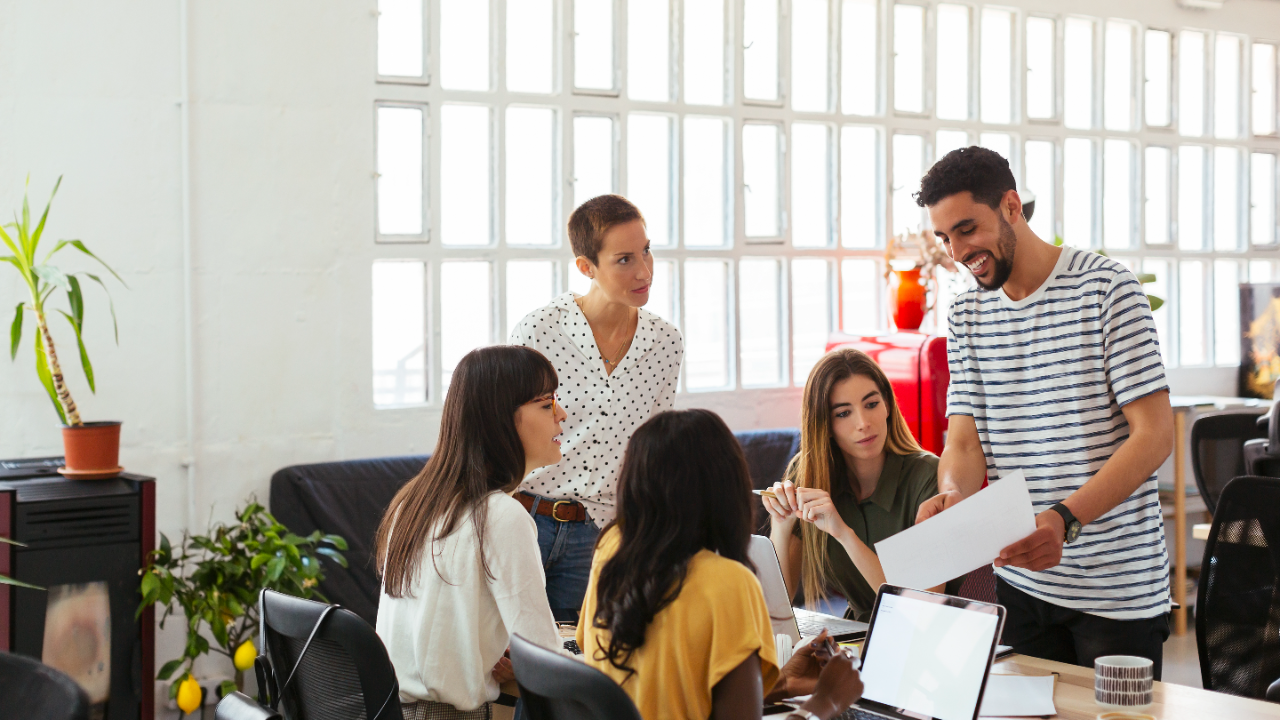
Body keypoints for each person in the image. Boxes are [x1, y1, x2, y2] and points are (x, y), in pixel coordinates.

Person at [914, 146, 1175, 677]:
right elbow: (964, 442)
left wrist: (1064, 519)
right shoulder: (965, 312)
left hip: (1117, 591)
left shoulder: (1105, 289)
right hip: (1022, 583)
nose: (957, 251)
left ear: (1011, 206)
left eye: (967, 229)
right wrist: (952, 496)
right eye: (945, 238)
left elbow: (1154, 436)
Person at [578, 409, 864, 720]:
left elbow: (666, 685)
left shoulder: (611, 547)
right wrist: (827, 701)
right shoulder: (728, 582)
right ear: (729, 488)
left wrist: (782, 683)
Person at [509, 194, 683, 621]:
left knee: (577, 669)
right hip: (523, 522)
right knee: (512, 665)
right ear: (587, 267)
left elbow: (653, 452)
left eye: (646, 251)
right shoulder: (540, 330)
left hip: (600, 535)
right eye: (624, 259)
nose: (644, 271)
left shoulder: (665, 344)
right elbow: (502, 427)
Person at [374, 345, 568, 720]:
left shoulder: (413, 502)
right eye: (546, 405)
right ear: (502, 421)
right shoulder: (501, 516)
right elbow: (545, 659)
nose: (561, 414)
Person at [762, 348, 958, 622]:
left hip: (930, 637)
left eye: (871, 404)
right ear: (825, 424)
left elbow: (918, 611)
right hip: (856, 639)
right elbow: (776, 610)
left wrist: (843, 533)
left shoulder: (928, 476)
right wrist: (781, 526)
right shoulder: (809, 474)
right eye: (843, 413)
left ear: (888, 405)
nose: (863, 423)